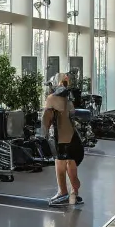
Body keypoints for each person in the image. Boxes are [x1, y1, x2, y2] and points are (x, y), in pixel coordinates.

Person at [42, 74, 84, 206]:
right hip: (73, 136)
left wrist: (44, 135)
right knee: (70, 163)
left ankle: (62, 193)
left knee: (59, 164)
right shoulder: (69, 99)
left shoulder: (52, 98)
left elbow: (46, 119)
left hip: (60, 138)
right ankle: (74, 193)